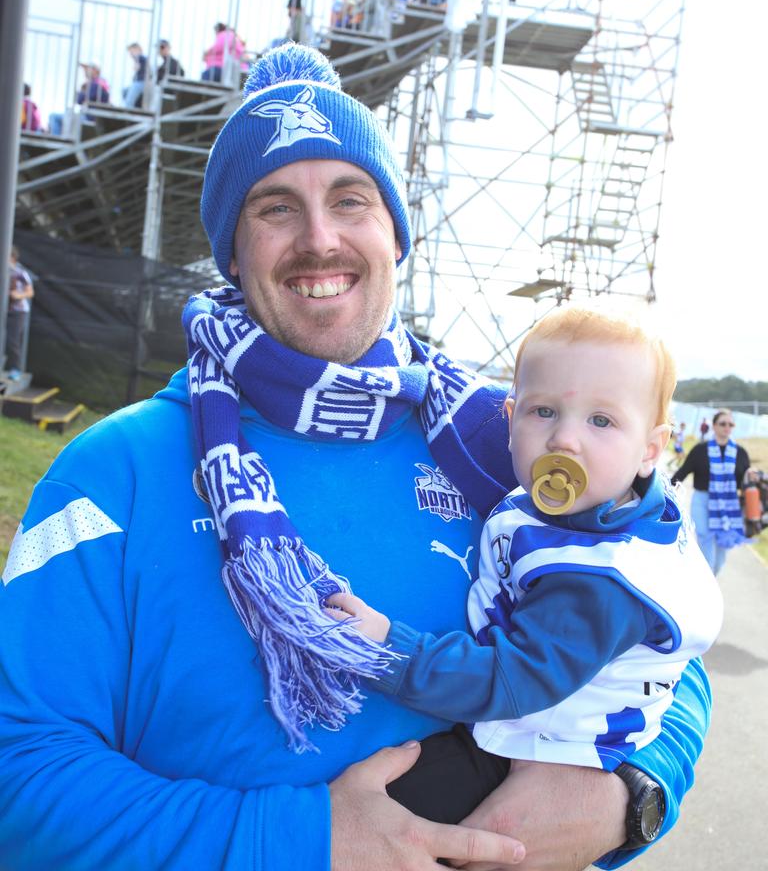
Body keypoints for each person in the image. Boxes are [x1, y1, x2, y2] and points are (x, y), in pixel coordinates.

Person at [0, 43, 712, 871]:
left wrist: (632, 794)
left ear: (396, 236)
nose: (319, 239)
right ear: (231, 253)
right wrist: (303, 840)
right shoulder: (112, 471)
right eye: (274, 207)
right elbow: (19, 779)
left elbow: (652, 631)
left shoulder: (506, 441)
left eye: (351, 199)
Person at [326, 306, 722, 826]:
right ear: (510, 420)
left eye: (601, 421)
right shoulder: (584, 506)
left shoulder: (600, 580)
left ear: (650, 450)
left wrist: (387, 649)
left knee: (388, 819)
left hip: (534, 747)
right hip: (516, 720)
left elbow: (512, 680)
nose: (565, 440)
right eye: (544, 412)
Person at [671, 409, 752, 575]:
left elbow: (746, 482)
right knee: (706, 543)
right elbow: (682, 473)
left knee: (721, 555)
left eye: (731, 424)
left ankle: (708, 580)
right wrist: (665, 491)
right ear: (714, 426)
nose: (727, 427)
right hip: (702, 501)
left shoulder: (740, 453)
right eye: (723, 423)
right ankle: (705, 588)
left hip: (729, 505)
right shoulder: (700, 450)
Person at [48, 62, 110, 136]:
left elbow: (79, 100)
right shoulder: (99, 83)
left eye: (87, 68)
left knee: (55, 117)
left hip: (89, 118)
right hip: (90, 117)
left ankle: (58, 143)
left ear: (95, 70)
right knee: (62, 116)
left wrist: (83, 89)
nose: (85, 71)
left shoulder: (96, 84)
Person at [5, 244, 35, 379]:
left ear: (13, 258)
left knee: (13, 341)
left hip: (17, 312)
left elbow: (30, 292)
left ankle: (15, 369)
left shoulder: (20, 273)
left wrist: (18, 295)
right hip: (3, 310)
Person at [122, 43, 148, 109]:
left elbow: (137, 67)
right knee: (125, 91)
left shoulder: (140, 57)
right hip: (141, 82)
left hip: (141, 82)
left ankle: (128, 111)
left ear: (137, 49)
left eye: (131, 51)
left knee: (129, 101)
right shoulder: (142, 58)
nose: (130, 54)